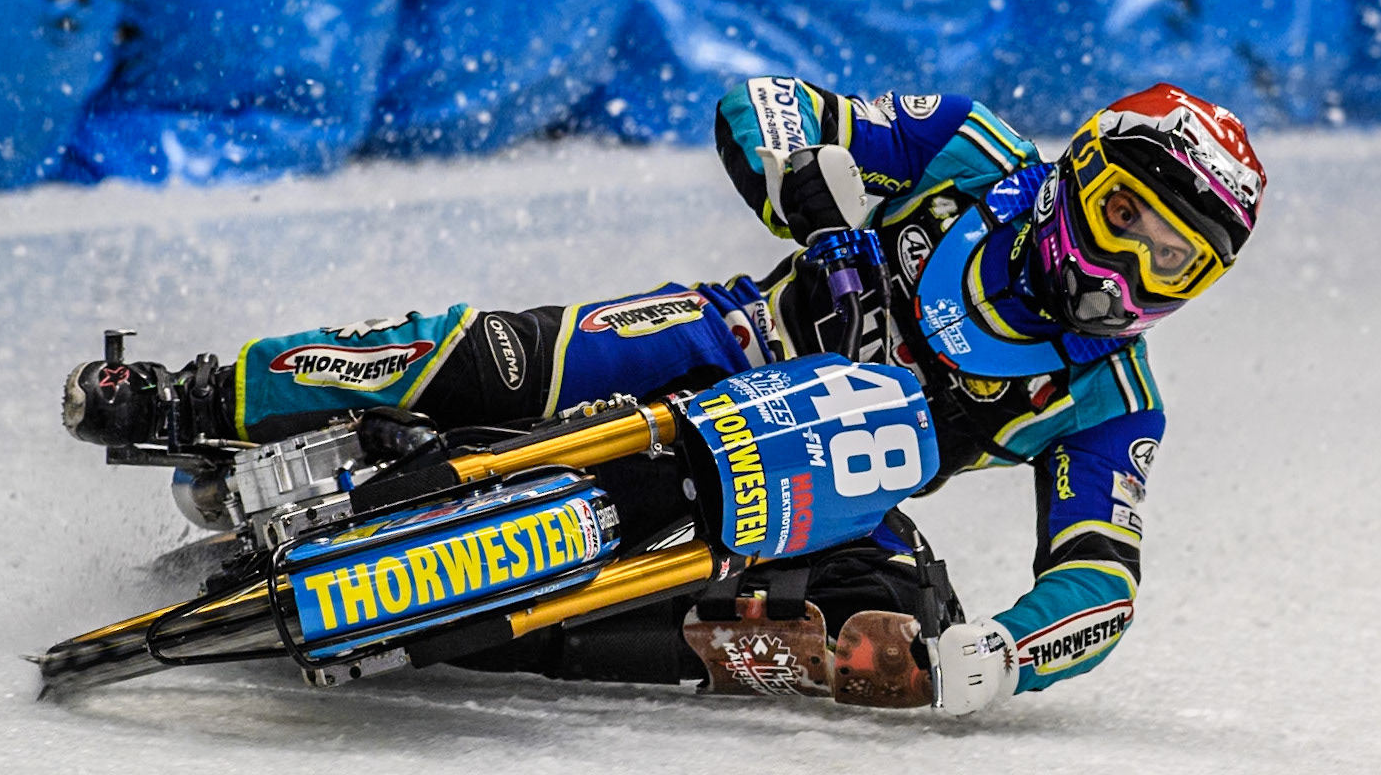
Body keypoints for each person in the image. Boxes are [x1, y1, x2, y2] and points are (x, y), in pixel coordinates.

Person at [61, 79, 1265, 715]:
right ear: (1074, 180)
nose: (1124, 272)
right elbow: (769, 105)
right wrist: (811, 205)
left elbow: (1102, 582)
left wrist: (996, 657)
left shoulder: (1111, 399)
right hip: (726, 338)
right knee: (485, 353)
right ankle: (194, 394)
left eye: (1172, 261)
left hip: (831, 489)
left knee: (879, 655)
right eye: (1121, 219)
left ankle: (512, 635)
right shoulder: (973, 154)